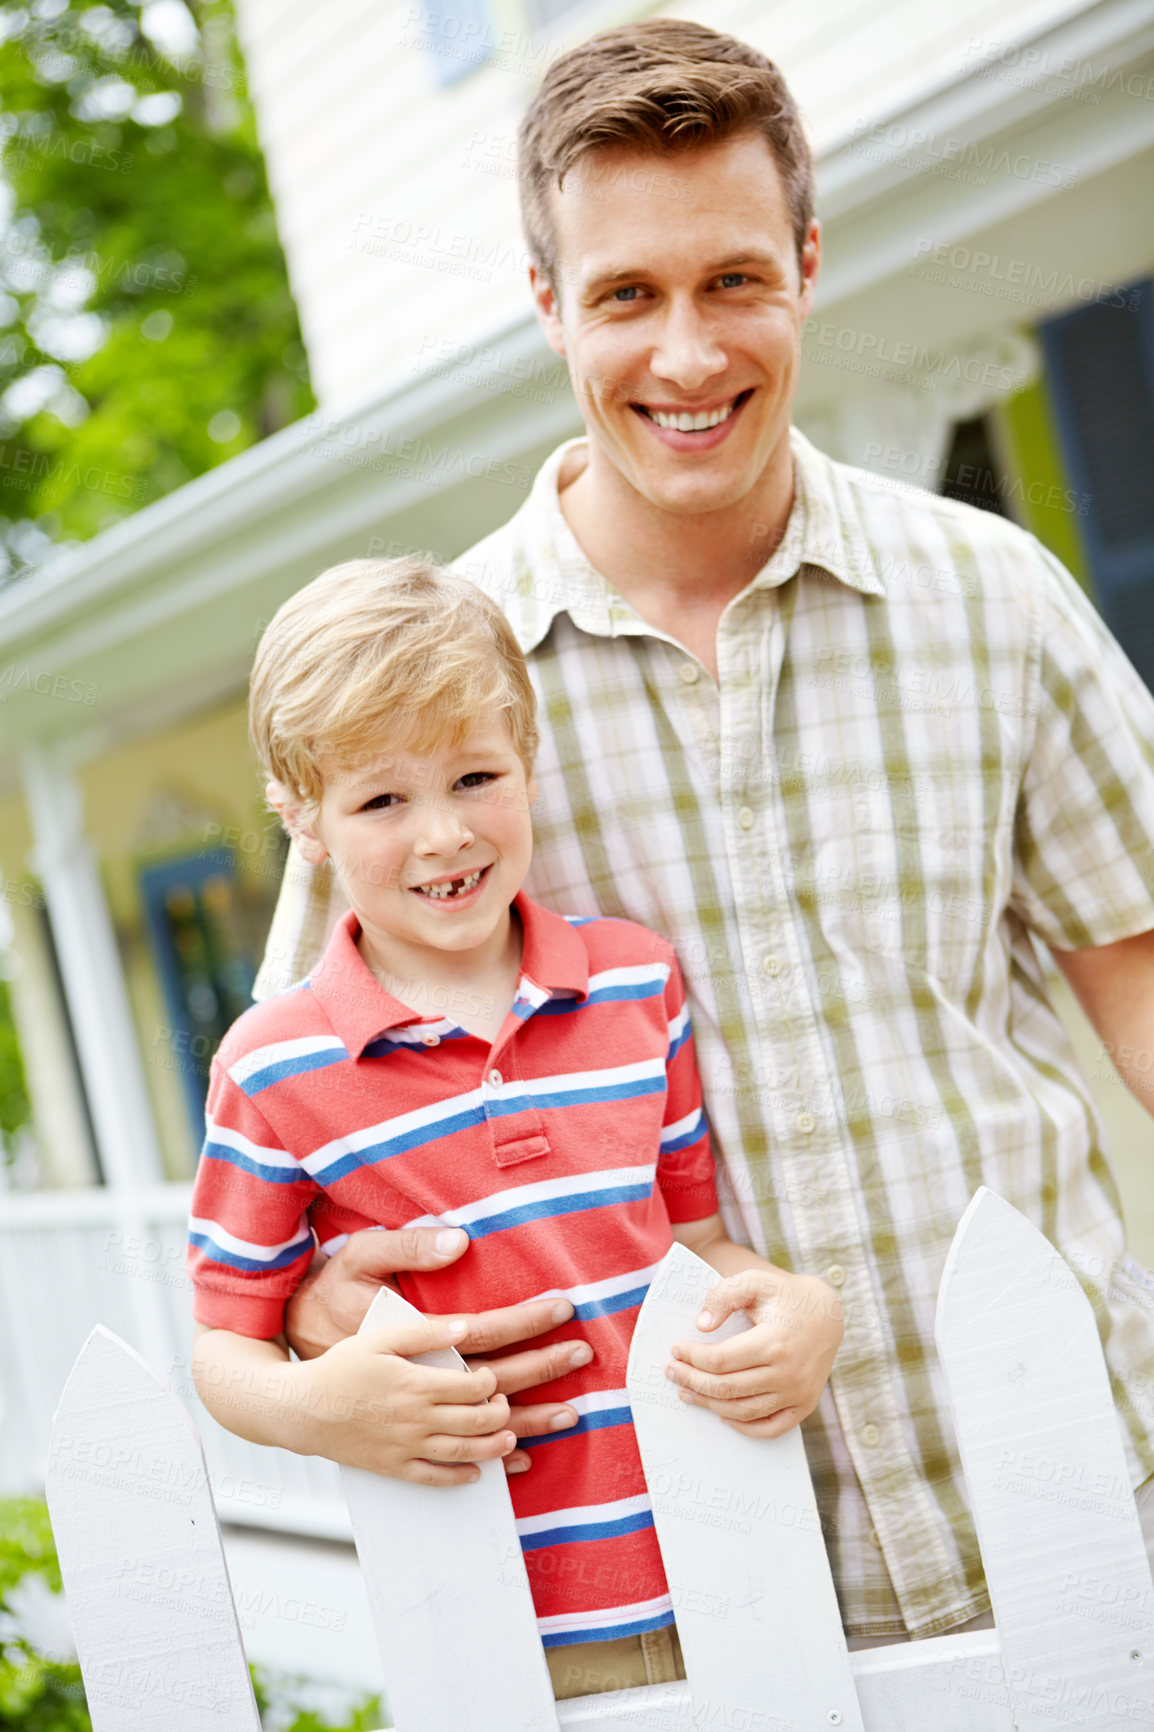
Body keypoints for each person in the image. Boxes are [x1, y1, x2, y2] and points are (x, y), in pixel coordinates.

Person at [256, 18, 1154, 1658]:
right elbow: (315, 1150)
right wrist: (331, 1320)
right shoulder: (428, 727)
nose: (684, 355)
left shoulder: (990, 599)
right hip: (709, 1601)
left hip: (1075, 1491)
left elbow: (1139, 987)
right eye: (623, 296)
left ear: (805, 265)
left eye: (732, 280)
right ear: (547, 306)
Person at [188, 556, 844, 1699]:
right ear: (303, 818)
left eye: (474, 776)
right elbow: (226, 1347)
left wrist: (801, 1304)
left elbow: (693, 1237)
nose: (442, 834)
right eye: (382, 799)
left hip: (734, 1565)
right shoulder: (271, 1065)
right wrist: (314, 1408)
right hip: (499, 1624)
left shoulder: (637, 982)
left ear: (527, 763)